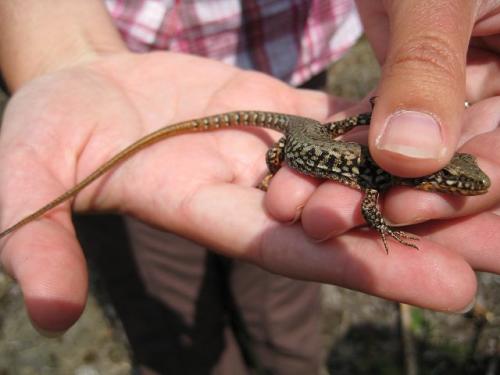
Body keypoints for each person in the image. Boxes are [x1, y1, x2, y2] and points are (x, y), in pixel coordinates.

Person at [0, 0, 499, 373]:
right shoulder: (379, 176)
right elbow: (369, 201)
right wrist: (378, 224)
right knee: (177, 325)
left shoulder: (389, 168)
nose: (464, 187)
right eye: (459, 181)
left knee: (281, 312)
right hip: (144, 57)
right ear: (440, 174)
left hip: (296, 54)